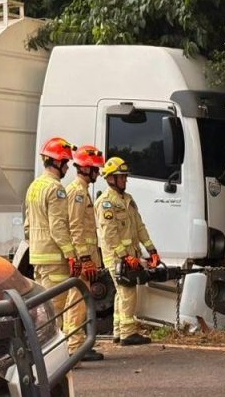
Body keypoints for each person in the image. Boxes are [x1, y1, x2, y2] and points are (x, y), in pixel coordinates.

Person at [95, 156, 159, 346]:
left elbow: (139, 227)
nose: (125, 180)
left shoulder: (128, 200)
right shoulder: (106, 203)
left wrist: (151, 249)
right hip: (116, 257)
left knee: (120, 293)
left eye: (125, 176)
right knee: (127, 292)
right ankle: (127, 333)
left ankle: (118, 331)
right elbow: (109, 235)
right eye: (121, 177)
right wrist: (126, 256)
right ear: (110, 179)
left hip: (129, 255)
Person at [26, 137, 78, 320]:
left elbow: (27, 225)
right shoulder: (56, 189)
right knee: (55, 311)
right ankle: (54, 348)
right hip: (54, 258)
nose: (67, 167)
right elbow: (58, 227)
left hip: (37, 256)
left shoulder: (34, 186)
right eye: (66, 162)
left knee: (42, 309)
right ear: (57, 161)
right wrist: (71, 255)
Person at [65, 145, 106, 362]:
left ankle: (78, 344)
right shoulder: (77, 193)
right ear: (86, 169)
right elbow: (76, 227)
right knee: (77, 301)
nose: (98, 174)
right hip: (84, 259)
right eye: (96, 170)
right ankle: (74, 347)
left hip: (87, 257)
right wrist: (85, 259)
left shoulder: (81, 192)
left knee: (82, 301)